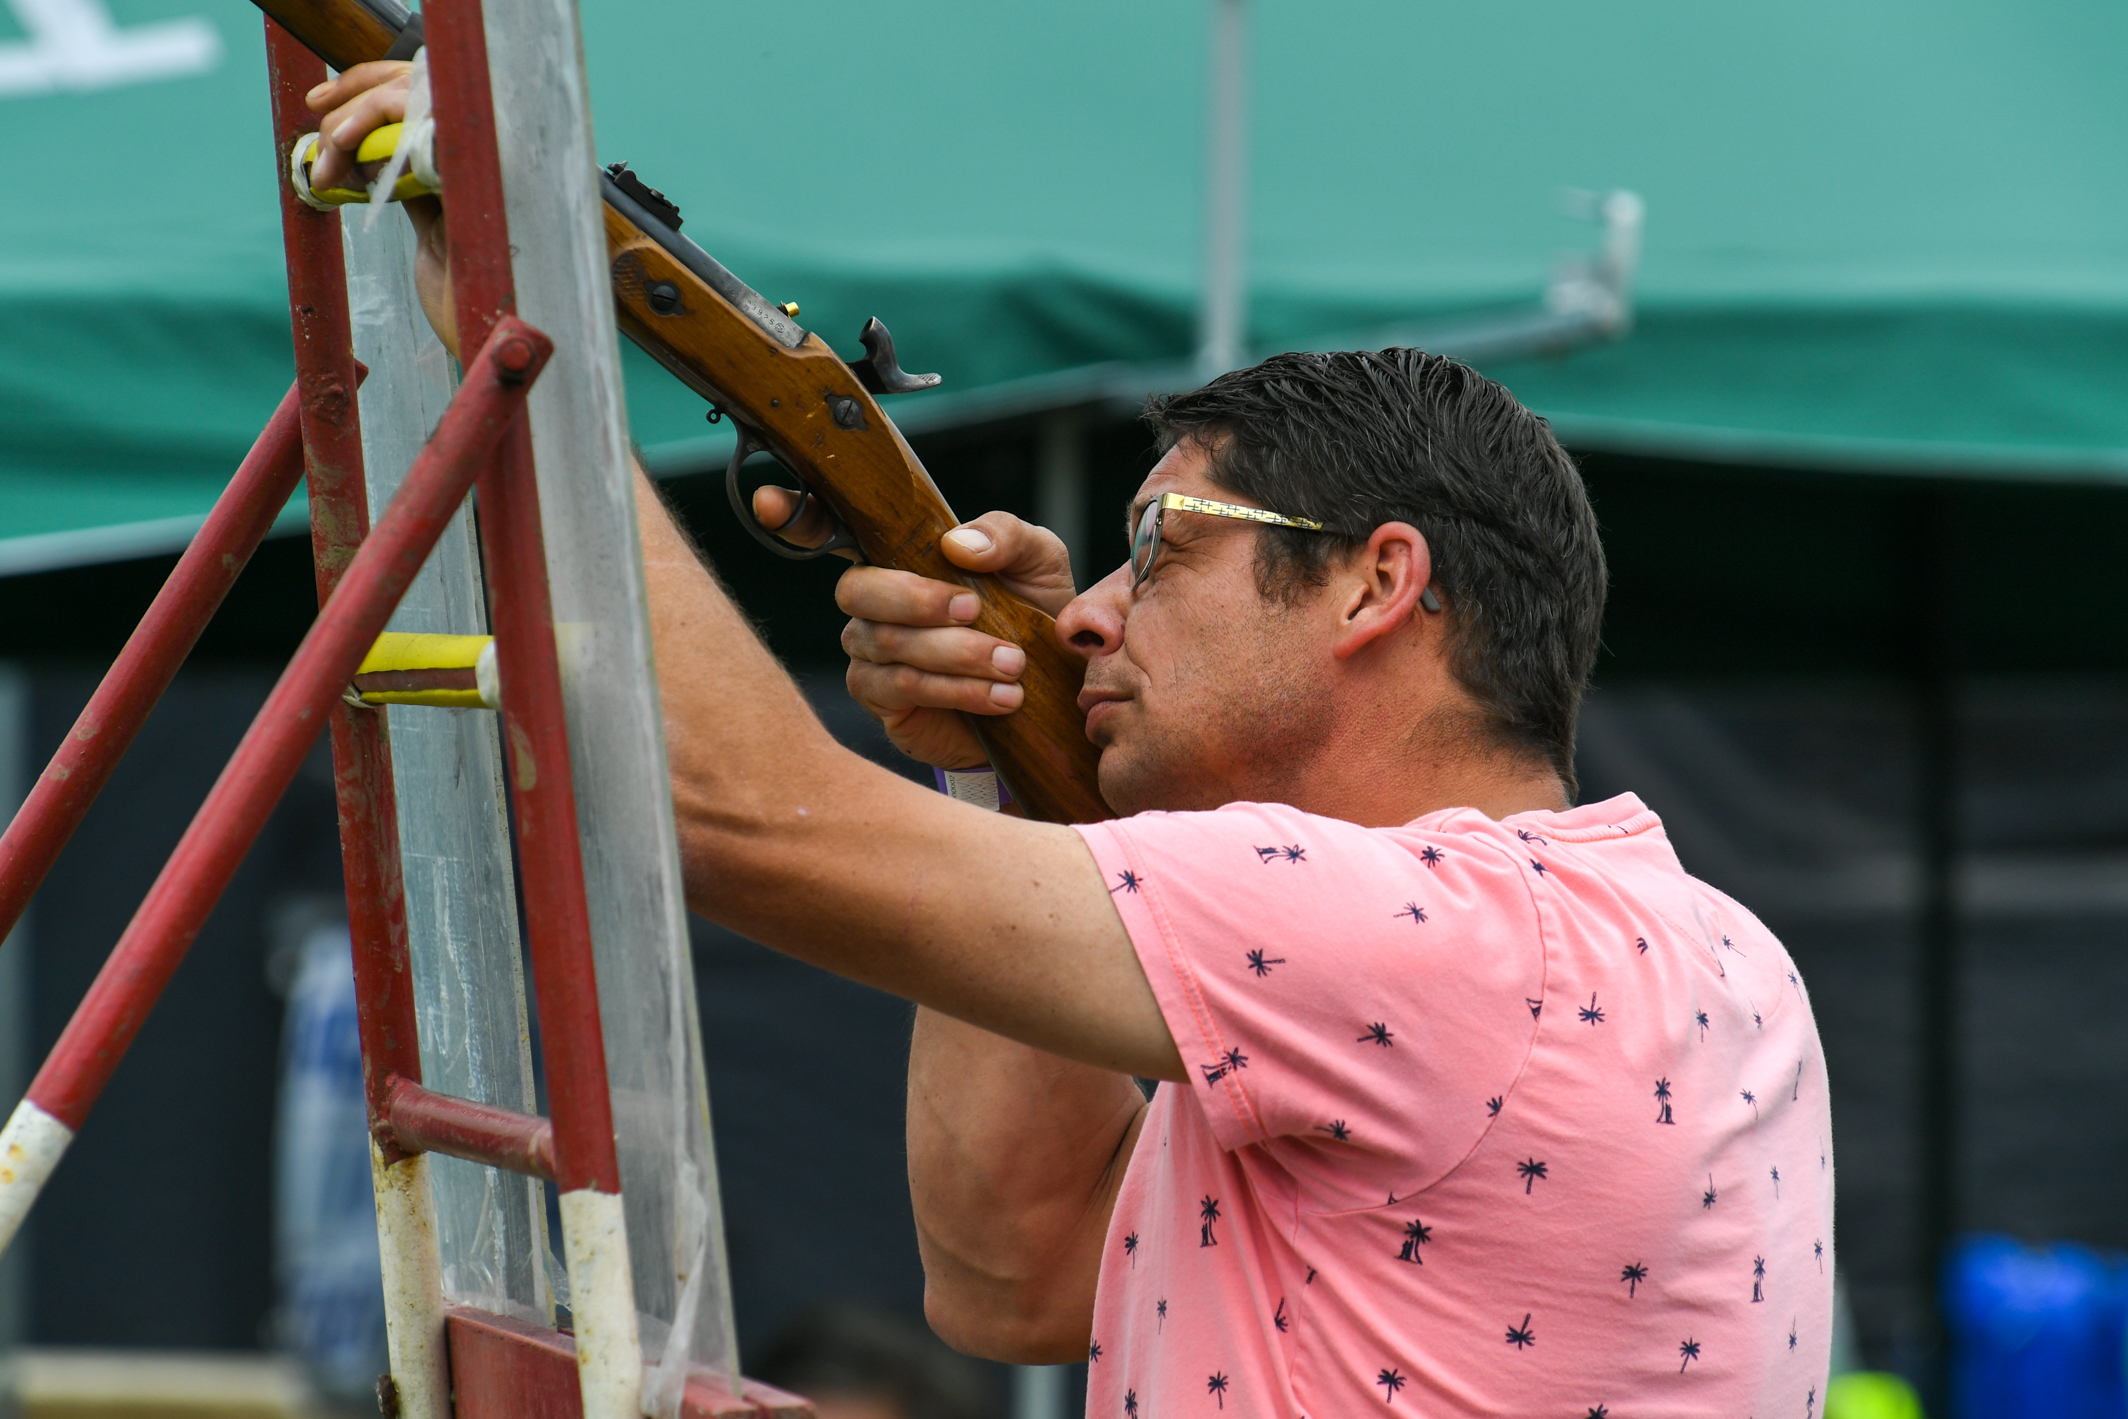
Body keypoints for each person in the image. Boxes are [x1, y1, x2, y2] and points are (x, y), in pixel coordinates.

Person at [307, 65, 1835, 1418]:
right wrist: (1007, 748)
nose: (1093, 613)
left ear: (1379, 581)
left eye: (1162, 548)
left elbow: (731, 820)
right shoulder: (1696, 948)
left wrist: (538, 320)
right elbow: (1012, 1276)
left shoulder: (1402, 927)